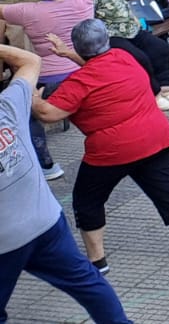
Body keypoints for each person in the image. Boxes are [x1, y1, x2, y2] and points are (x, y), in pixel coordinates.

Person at [32, 19, 169, 272]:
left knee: (87, 200)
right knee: (167, 190)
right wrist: (70, 54)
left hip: (112, 150)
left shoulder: (79, 82)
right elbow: (100, 69)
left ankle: (97, 261)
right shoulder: (124, 57)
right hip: (155, 137)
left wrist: (31, 96)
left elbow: (49, 114)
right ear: (106, 39)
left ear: (80, 48)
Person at [0, 42, 132, 323]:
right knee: (87, 282)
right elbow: (30, 61)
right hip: (45, 221)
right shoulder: (7, 108)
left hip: (4, 241)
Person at [0, 0, 99, 179]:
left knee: (22, 113)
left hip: (49, 83)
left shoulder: (26, 11)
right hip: (85, 73)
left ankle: (46, 165)